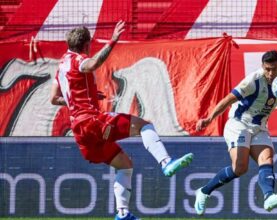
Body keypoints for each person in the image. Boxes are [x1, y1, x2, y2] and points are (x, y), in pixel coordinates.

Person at [50, 21, 193, 220]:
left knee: (124, 164)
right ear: (86, 44)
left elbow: (54, 98)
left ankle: (123, 213)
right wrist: (112, 41)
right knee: (145, 125)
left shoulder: (61, 65)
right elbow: (93, 64)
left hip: (80, 132)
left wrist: (84, 98)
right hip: (91, 122)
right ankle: (166, 162)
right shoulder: (78, 60)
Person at [194, 50, 277, 215]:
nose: (270, 73)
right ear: (262, 66)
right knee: (240, 168)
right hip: (239, 124)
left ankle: (268, 197)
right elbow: (228, 99)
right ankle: (204, 191)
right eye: (267, 69)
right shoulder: (253, 81)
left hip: (259, 127)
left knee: (267, 158)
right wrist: (210, 118)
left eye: (274, 69)